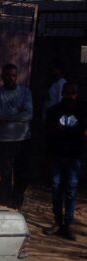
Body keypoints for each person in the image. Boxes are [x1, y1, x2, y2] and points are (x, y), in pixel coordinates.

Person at [43, 83, 86, 241]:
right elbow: (48, 132)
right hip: (56, 155)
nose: (70, 96)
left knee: (71, 190)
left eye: (73, 93)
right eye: (67, 93)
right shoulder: (54, 111)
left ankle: (68, 225)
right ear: (62, 93)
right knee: (56, 188)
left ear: (77, 94)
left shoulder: (83, 110)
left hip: (74, 157)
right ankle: (57, 222)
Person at [0, 64, 32, 210]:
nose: (11, 78)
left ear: (17, 76)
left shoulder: (25, 93)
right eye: (7, 75)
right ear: (2, 77)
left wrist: (5, 116)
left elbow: (28, 114)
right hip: (4, 141)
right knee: (6, 176)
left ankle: (15, 204)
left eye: (14, 75)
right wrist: (16, 111)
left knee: (22, 176)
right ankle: (3, 206)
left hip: (23, 140)